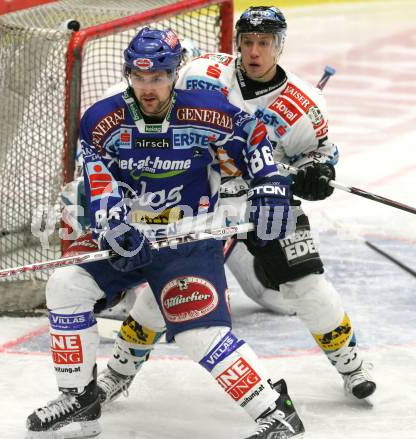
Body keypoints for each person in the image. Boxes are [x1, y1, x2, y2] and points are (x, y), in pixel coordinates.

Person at [25, 27, 305, 439]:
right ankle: (80, 402)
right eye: (139, 79)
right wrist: (115, 228)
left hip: (188, 235)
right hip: (131, 232)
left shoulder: (207, 110)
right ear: (128, 75)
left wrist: (269, 183)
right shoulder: (102, 121)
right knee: (66, 285)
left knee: (197, 333)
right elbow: (98, 183)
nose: (147, 88)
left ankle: (275, 413)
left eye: (157, 78)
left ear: (174, 74)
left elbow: (255, 135)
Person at [97, 5, 376, 411]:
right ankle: (118, 373)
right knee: (167, 292)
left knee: (305, 286)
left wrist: (316, 172)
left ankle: (351, 366)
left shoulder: (305, 104)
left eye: (264, 43)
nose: (254, 52)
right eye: (247, 42)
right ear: (236, 44)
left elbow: (320, 155)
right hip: (201, 199)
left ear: (279, 46)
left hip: (266, 202)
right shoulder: (203, 73)